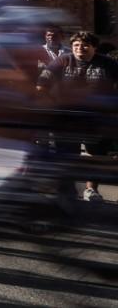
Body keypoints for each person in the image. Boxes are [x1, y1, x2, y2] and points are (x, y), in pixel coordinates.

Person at [47, 31, 118, 201]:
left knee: (96, 154)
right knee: (66, 153)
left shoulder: (109, 64)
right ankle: (66, 189)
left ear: (94, 47)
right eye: (76, 45)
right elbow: (42, 83)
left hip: (98, 118)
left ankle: (91, 190)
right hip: (67, 117)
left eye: (85, 45)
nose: (80, 48)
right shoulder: (62, 60)